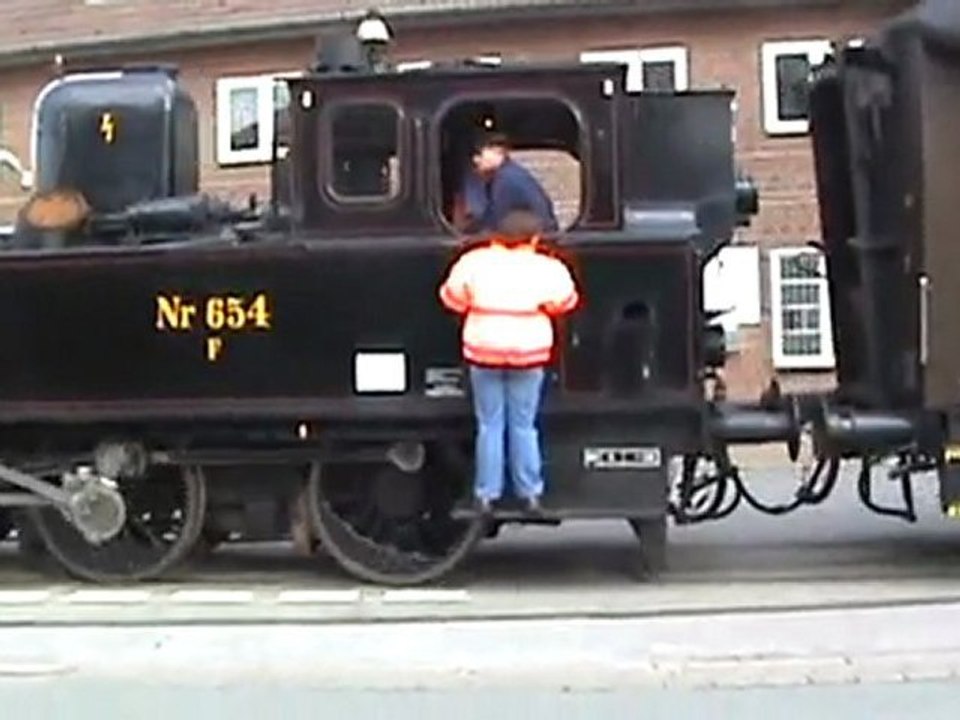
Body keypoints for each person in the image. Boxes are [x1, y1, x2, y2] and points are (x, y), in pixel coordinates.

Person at [438, 210, 580, 514]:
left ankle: (486, 495)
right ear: (534, 239)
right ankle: (530, 494)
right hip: (529, 350)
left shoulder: (474, 262)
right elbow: (565, 302)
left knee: (489, 424)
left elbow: (451, 297)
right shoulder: (547, 267)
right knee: (524, 425)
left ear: (496, 236)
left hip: (484, 348)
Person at [458, 133, 559, 235]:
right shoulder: (507, 174)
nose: (475, 160)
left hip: (538, 239)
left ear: (497, 151)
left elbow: (494, 222)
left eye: (479, 154)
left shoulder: (507, 179)